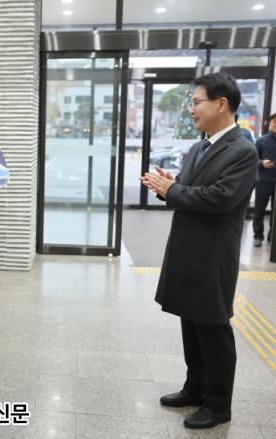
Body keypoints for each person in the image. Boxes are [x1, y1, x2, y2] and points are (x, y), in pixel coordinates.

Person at [141, 72, 257, 429]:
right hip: (188, 249)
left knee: (213, 329)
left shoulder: (243, 150)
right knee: (190, 323)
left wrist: (174, 191)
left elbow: (220, 199)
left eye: (196, 102)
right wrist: (169, 186)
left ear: (221, 104)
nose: (191, 109)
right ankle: (195, 388)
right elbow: (189, 190)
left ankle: (219, 405)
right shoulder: (199, 147)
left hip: (212, 255)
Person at [252, 112, 276, 247]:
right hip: (264, 181)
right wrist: (262, 163)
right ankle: (258, 236)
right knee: (259, 210)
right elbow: (252, 159)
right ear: (270, 123)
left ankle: (272, 235)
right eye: (274, 121)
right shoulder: (261, 141)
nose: (275, 124)